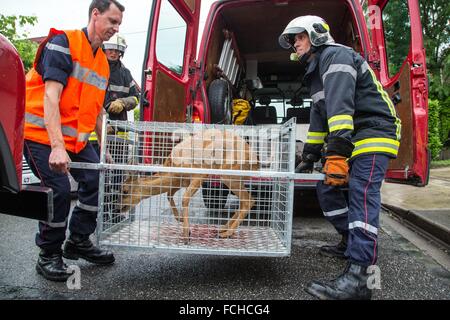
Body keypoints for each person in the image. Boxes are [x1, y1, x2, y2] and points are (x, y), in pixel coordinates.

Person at [279, 15, 401, 299]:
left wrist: (335, 154)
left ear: (317, 34)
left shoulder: (337, 56)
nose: (294, 43)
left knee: (361, 192)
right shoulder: (315, 72)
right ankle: (351, 242)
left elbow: (340, 109)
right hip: (354, 136)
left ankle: (362, 277)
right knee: (327, 188)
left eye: (299, 36)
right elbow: (320, 117)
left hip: (374, 130)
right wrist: (309, 156)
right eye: (293, 40)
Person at [23, 0, 125, 282]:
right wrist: (57, 146)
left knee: (96, 179)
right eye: (112, 22)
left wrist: (105, 149)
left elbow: (95, 111)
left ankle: (78, 241)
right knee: (57, 189)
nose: (115, 29)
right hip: (41, 135)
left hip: (75, 141)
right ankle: (48, 254)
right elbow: (50, 97)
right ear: (95, 14)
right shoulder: (62, 43)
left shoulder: (103, 62)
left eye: (118, 25)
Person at [98, 33, 140, 220]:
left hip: (119, 135)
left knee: (117, 174)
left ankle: (114, 212)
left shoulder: (125, 73)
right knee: (99, 176)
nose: (113, 52)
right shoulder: (94, 68)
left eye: (117, 50)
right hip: (96, 133)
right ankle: (98, 213)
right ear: (104, 49)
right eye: (110, 49)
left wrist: (123, 102)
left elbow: (136, 97)